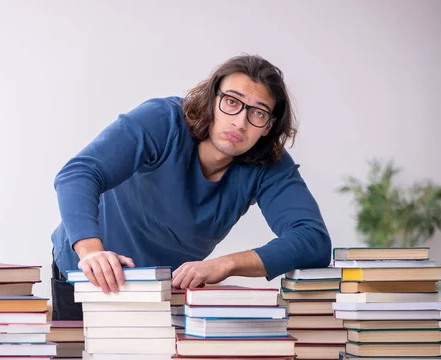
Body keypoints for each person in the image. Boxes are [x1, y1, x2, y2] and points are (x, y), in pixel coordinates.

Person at [50, 54, 331, 321]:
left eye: (258, 113)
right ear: (212, 99)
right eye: (232, 102)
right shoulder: (163, 121)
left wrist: (226, 264)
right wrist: (91, 251)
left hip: (163, 294)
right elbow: (79, 173)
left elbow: (312, 239)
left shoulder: (268, 164)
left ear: (268, 126)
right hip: (85, 275)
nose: (240, 122)